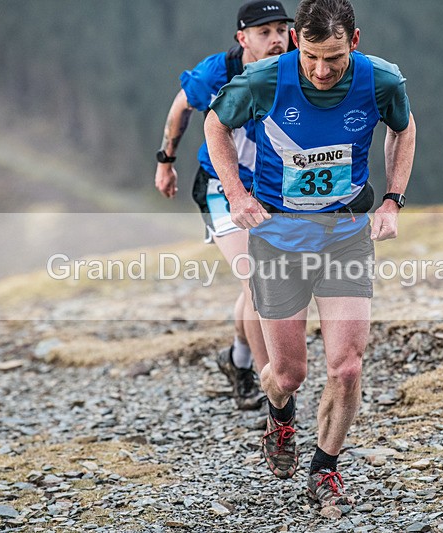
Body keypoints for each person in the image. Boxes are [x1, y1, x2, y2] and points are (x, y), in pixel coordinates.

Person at [204, 0, 416, 511]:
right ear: (297, 41)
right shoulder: (263, 81)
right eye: (313, 58)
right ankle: (280, 417)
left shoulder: (381, 80)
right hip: (279, 240)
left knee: (346, 367)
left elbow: (403, 129)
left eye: (336, 59)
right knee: (288, 374)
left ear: (355, 42)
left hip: (345, 235)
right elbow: (215, 126)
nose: (322, 72)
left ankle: (325, 468)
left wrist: (392, 200)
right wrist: (236, 195)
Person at [154, 1, 293, 410]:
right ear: (242, 38)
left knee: (259, 285)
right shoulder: (220, 71)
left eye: (281, 30)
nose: (275, 39)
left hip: (271, 192)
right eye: (264, 32)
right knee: (257, 281)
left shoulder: (298, 66)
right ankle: (275, 395)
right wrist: (165, 162)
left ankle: (238, 360)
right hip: (220, 187)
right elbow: (182, 105)